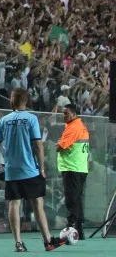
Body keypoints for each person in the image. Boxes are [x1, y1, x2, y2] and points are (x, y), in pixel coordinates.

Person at [0, 89, 66, 252]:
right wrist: (42, 167)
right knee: (37, 203)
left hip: (12, 170)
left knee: (14, 204)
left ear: (12, 100)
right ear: (26, 101)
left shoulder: (4, 120)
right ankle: (48, 241)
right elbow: (37, 144)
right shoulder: (31, 119)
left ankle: (18, 243)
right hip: (30, 169)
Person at [56, 103, 89, 240]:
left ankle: (71, 229)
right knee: (77, 199)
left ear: (74, 113)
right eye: (63, 113)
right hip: (80, 167)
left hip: (71, 168)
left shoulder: (73, 127)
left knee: (71, 199)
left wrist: (58, 144)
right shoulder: (79, 125)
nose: (64, 116)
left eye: (66, 113)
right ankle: (79, 231)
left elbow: (60, 146)